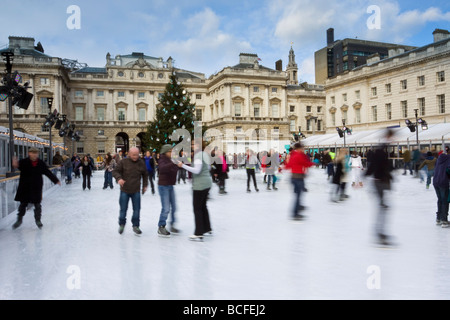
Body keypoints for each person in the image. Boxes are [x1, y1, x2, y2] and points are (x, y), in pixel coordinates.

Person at [12, 147, 61, 229]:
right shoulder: (24, 162)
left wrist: (56, 180)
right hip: (25, 187)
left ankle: (38, 220)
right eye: (32, 153)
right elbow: (17, 166)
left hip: (36, 187)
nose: (34, 155)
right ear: (29, 153)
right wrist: (15, 164)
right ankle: (19, 220)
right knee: (23, 204)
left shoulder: (41, 163)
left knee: (37, 205)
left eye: (36, 153)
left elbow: (47, 172)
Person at [178, 140, 212, 241]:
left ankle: (199, 232)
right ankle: (207, 228)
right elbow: (209, 167)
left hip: (200, 185)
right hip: (206, 182)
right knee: (203, 207)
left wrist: (182, 166)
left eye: (194, 144)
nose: (192, 146)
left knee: (197, 208)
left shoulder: (198, 156)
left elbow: (197, 170)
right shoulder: (204, 154)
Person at [365, 130, 395, 246]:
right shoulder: (380, 149)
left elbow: (381, 165)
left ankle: (380, 232)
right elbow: (376, 165)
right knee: (382, 207)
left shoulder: (382, 149)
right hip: (379, 182)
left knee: (383, 207)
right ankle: (379, 232)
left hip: (381, 181)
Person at [113, 147, 148, 235]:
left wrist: (145, 185)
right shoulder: (123, 162)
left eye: (137, 155)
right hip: (125, 190)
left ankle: (136, 226)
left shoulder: (141, 163)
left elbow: (145, 175)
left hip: (136, 190)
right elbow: (115, 171)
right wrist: (119, 179)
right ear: (129, 154)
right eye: (133, 155)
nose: (136, 157)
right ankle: (122, 224)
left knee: (136, 210)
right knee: (123, 209)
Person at [285, 142, 314, 220]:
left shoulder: (293, 155)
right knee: (298, 195)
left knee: (298, 194)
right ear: (299, 148)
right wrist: (313, 163)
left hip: (294, 177)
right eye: (302, 148)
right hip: (298, 178)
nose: (303, 149)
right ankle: (295, 214)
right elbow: (305, 163)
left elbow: (288, 166)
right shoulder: (298, 155)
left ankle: (298, 207)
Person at [157, 144, 180, 237]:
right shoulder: (162, 159)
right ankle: (161, 226)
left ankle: (173, 224)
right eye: (170, 151)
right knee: (166, 208)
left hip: (170, 186)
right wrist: (173, 163)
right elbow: (162, 169)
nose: (172, 153)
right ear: (165, 152)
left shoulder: (171, 159)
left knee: (174, 207)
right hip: (163, 186)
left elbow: (174, 169)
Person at [433, 153, 450, 227]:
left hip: (436, 181)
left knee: (440, 199)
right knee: (445, 201)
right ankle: (444, 220)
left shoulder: (439, 159)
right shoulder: (448, 159)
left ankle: (438, 218)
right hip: (443, 182)